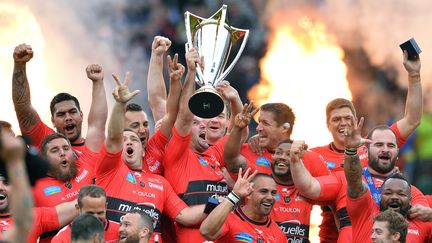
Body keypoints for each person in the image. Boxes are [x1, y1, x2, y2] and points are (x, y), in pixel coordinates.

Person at [310, 49, 423, 243]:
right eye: (336, 119)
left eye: (347, 118)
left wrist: (414, 75)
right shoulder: (315, 155)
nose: (342, 123)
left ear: (355, 121)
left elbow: (412, 120)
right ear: (327, 125)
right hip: (334, 236)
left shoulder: (374, 145)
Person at [96, 71, 207, 242]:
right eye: (123, 140)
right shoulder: (109, 171)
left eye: (133, 139)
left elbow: (185, 215)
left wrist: (222, 201)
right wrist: (119, 105)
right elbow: (112, 138)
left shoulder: (160, 183)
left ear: (143, 149)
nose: (129, 142)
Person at [162, 47, 243, 242]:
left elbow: (238, 131)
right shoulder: (178, 155)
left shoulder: (213, 155)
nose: (202, 127)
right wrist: (191, 72)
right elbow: (184, 115)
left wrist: (235, 101)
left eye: (204, 123)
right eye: (195, 123)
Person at [223, 103, 329, 240]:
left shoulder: (310, 158)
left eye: (265, 123)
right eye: (259, 122)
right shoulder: (250, 151)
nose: (259, 128)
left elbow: (331, 200)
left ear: (284, 128)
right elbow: (230, 158)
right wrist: (238, 127)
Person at [12, 44, 107, 162]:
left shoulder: (95, 146)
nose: (68, 118)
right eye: (61, 114)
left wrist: (98, 82)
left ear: (81, 115)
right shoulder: (45, 141)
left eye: (72, 112)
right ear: (53, 121)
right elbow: (23, 106)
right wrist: (19, 65)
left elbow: (98, 122)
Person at [343, 118, 432, 242]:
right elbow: (354, 182)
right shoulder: (366, 212)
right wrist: (351, 151)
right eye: (388, 193)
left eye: (401, 194)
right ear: (380, 196)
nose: (394, 197)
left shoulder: (421, 221)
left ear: (411, 199)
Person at [0, 125, 78, 243]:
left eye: (6, 182)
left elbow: (81, 204)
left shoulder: (35, 216)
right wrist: (14, 161)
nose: (0, 187)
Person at [200, 168, 287, 242]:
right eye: (263, 191)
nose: (270, 197)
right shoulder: (230, 219)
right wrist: (234, 195)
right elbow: (206, 232)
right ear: (248, 194)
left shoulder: (279, 234)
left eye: (273, 193)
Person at [32, 133, 95, 207]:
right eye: (54, 150)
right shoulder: (35, 188)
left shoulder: (86, 165)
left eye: (66, 148)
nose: (62, 153)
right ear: (44, 159)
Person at [52, 185, 119, 242]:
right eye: (90, 213)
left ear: (105, 207)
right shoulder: (62, 239)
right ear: (78, 208)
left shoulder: (120, 232)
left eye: (99, 213)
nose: (95, 218)